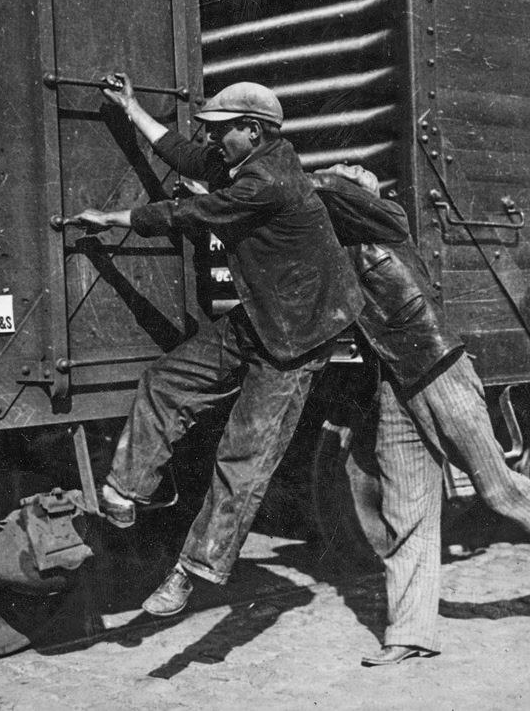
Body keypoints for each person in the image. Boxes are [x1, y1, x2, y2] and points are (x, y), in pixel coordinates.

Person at [73, 74, 363, 616]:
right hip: (260, 316)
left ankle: (190, 572)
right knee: (167, 380)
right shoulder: (243, 160)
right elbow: (183, 154)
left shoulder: (266, 181)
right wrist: (132, 108)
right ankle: (124, 493)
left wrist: (113, 218)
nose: (211, 142)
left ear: (252, 131)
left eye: (220, 132)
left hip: (297, 337)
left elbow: (191, 213)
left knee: (242, 457)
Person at [309, 164, 530, 666]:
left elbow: (328, 189)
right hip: (394, 386)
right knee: (406, 510)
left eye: (355, 174)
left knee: (494, 485)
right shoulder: (341, 248)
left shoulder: (386, 221)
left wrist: (300, 175)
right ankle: (410, 633)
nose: (346, 175)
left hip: (441, 369)